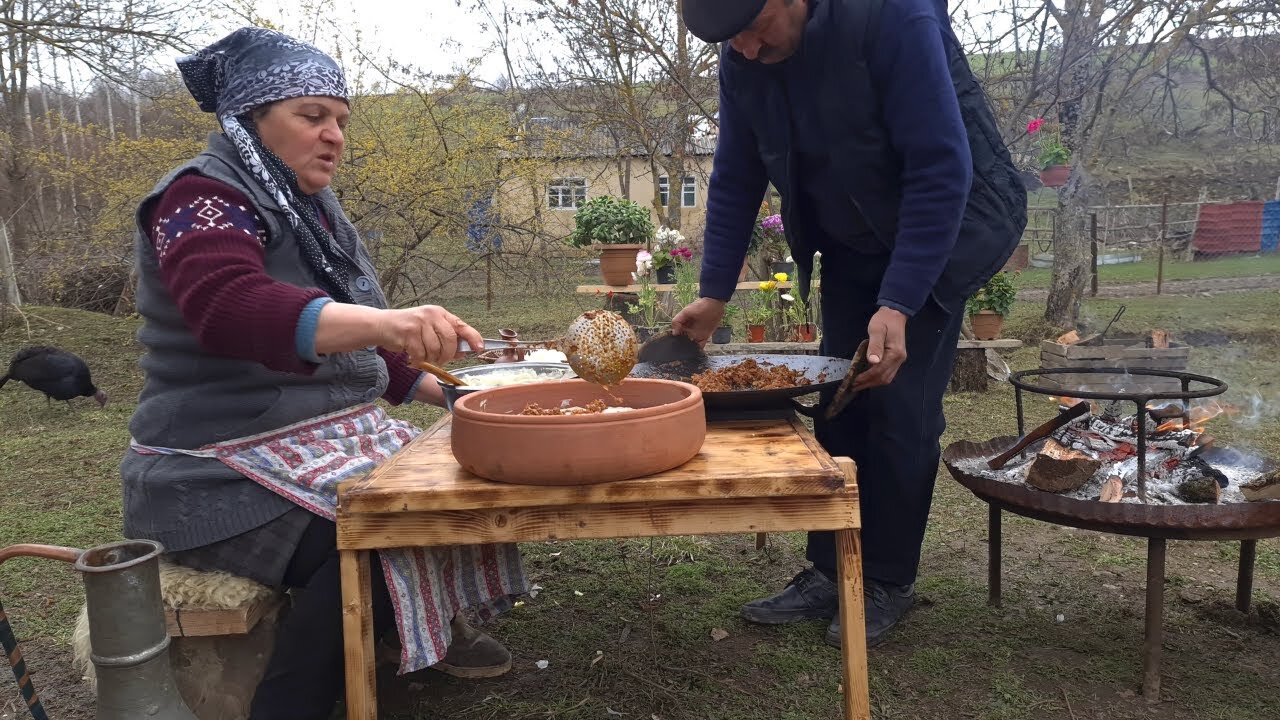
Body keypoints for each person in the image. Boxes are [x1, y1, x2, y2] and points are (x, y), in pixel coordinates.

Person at [119, 27, 527, 720]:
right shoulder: (198, 197)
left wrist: (460, 399)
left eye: (340, 119)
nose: (334, 135)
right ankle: (293, 704)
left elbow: (358, 347)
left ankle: (403, 636)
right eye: (312, 116)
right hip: (213, 470)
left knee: (462, 484)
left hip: (317, 440)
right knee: (380, 531)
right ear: (250, 119)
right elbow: (231, 308)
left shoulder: (311, 211)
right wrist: (391, 323)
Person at [674, 0, 1028, 648]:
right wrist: (714, 293)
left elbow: (940, 166)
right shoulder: (744, 57)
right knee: (840, 401)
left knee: (897, 404)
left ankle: (887, 579)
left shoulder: (893, 17)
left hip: (945, 226)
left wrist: (898, 303)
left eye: (753, 30)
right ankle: (831, 568)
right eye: (731, 42)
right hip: (853, 242)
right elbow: (735, 174)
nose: (745, 49)